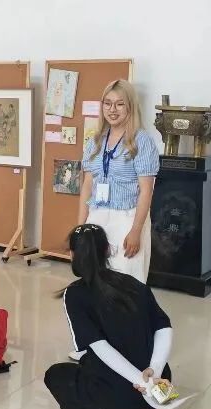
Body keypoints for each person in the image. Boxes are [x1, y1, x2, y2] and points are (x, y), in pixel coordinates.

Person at [45, 224, 173, 409]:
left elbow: (100, 347)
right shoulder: (133, 284)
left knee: (57, 376)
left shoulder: (75, 294)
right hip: (160, 386)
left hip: (126, 392)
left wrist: (140, 381)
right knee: (95, 369)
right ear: (107, 250)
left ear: (72, 255)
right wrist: (154, 372)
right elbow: (164, 326)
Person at [70, 79, 159, 362]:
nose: (113, 109)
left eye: (120, 104)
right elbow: (87, 186)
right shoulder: (95, 141)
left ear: (130, 107)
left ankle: (132, 347)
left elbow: (146, 190)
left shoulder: (142, 141)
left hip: (127, 216)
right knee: (93, 281)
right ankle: (95, 345)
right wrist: (79, 231)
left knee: (127, 283)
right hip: (98, 217)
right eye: (108, 103)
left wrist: (136, 231)